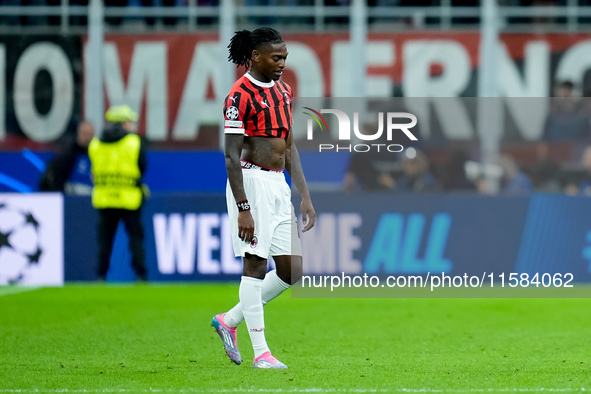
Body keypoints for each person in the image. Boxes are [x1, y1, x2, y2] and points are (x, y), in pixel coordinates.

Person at [211, 27, 316, 369]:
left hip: (278, 185)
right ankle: (262, 354)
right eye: (276, 57)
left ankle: (228, 320)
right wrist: (243, 207)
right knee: (255, 265)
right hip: (251, 182)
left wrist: (304, 195)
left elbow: (289, 146)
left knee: (292, 270)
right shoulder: (238, 96)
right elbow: (229, 156)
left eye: (285, 57)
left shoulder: (284, 91)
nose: (283, 63)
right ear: (256, 57)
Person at [88, 105, 148, 282]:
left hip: (104, 198)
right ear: (122, 123)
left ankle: (100, 275)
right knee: (135, 239)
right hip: (129, 198)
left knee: (104, 241)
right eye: (129, 121)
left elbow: (93, 171)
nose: (131, 125)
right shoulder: (134, 142)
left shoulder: (95, 144)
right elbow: (142, 167)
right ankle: (141, 275)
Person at [39, 121, 95, 195]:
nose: (87, 138)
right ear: (78, 133)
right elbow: (54, 178)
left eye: (89, 135)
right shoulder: (67, 154)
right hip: (70, 199)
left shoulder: (97, 155)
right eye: (85, 134)